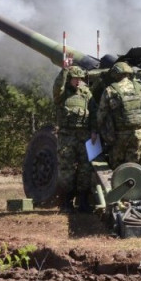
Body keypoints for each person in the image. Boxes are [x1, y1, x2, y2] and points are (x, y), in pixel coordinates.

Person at [95, 62, 141, 169]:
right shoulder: (140, 88)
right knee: (135, 167)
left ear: (115, 74)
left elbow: (100, 116)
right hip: (137, 135)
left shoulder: (110, 90)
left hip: (118, 136)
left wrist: (98, 132)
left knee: (117, 168)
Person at [53, 66, 95, 213]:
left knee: (85, 168)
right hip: (67, 136)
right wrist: (64, 70)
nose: (78, 81)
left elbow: (94, 112)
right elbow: (57, 87)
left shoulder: (86, 93)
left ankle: (83, 202)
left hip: (84, 135)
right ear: (69, 79)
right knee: (66, 169)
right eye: (75, 78)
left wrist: (94, 131)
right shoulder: (62, 94)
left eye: (80, 78)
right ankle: (66, 202)